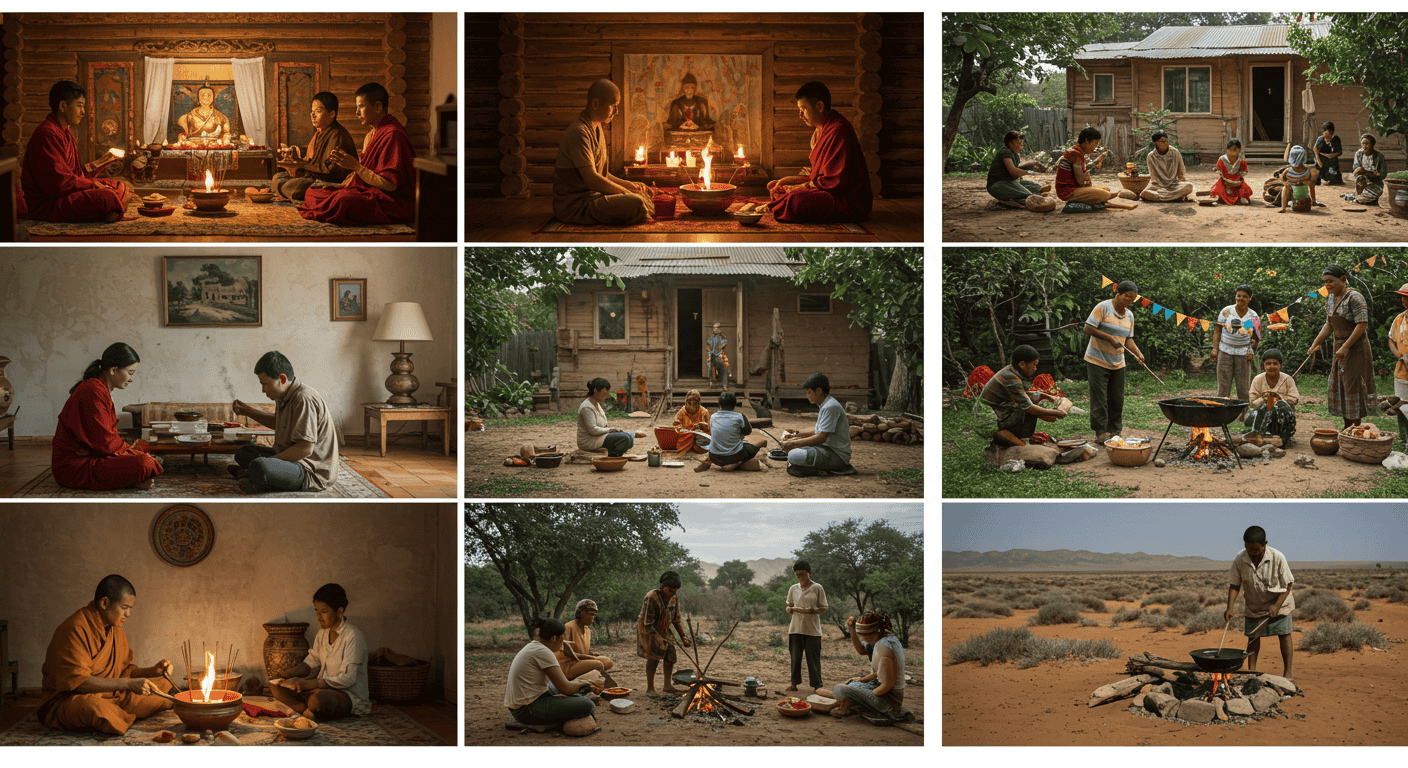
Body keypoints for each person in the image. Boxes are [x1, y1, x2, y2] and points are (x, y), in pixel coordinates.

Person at [39, 575, 175, 734]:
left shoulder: (116, 631)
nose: (128, 614)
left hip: (112, 695)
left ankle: (119, 713)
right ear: (104, 603)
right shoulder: (74, 629)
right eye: (124, 608)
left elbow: (126, 672)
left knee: (161, 687)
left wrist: (153, 671)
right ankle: (117, 714)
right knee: (94, 708)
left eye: (130, 609)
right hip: (70, 700)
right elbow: (79, 683)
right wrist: (129, 685)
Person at [18, 81, 136, 223]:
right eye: (79, 106)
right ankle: (110, 209)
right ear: (62, 106)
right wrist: (93, 186)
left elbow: (75, 175)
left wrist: (99, 172)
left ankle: (110, 210)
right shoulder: (47, 134)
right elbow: (58, 184)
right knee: (107, 197)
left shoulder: (65, 132)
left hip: (65, 194)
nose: (83, 112)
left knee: (121, 185)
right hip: (49, 204)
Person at [52, 342, 163, 491]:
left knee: (144, 457)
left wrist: (101, 450)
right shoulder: (93, 390)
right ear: (112, 370)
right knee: (144, 463)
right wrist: (130, 452)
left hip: (91, 456)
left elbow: (103, 441)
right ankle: (137, 478)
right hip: (75, 467)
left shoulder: (99, 389)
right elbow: (106, 443)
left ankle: (137, 478)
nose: (131, 379)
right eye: (130, 373)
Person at [300, 83, 415, 225]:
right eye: (356, 107)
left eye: (361, 107)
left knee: (343, 200)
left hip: (390, 200)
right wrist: (341, 185)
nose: (357, 112)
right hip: (368, 191)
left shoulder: (393, 134)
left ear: (378, 107)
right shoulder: (370, 135)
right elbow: (362, 174)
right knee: (312, 192)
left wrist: (356, 166)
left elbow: (390, 185)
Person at [229, 351, 339, 493]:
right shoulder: (283, 396)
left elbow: (305, 449)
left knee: (260, 466)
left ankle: (257, 478)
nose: (263, 390)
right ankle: (256, 476)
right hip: (291, 459)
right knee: (244, 452)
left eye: (265, 384)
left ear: (282, 378)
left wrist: (271, 461)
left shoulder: (303, 399)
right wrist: (247, 411)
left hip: (310, 470)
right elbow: (278, 423)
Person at [765, 81, 872, 223]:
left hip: (846, 199)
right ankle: (784, 201)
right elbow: (816, 174)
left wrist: (797, 187)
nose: (800, 115)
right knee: (776, 185)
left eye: (803, 109)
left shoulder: (839, 129)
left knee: (796, 199)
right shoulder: (820, 130)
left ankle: (785, 203)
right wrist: (787, 181)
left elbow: (835, 181)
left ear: (820, 106)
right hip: (826, 188)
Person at [552, 79, 653, 225]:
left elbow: (603, 174)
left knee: (640, 193)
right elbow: (592, 179)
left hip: (595, 197)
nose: (617, 112)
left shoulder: (597, 128)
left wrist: (629, 185)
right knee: (635, 202)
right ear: (595, 104)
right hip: (576, 205)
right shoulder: (578, 132)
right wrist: (628, 193)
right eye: (613, 106)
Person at [269, 583, 370, 720]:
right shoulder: (322, 633)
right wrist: (284, 674)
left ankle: (310, 707)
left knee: (318, 700)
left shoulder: (353, 636)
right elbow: (311, 662)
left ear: (339, 612)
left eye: (324, 611)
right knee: (276, 687)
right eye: (316, 611)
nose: (318, 616)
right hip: (320, 690)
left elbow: (348, 679)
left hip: (346, 694)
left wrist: (314, 684)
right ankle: (307, 712)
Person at [1308, 264, 1376, 428]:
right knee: (1343, 386)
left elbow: (1362, 324)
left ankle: (1355, 428)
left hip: (1356, 349)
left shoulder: (1355, 297)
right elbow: (1329, 325)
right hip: (1339, 349)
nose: (1327, 285)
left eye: (1330, 281)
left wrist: (1346, 347)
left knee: (1354, 387)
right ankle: (1347, 427)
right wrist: (1315, 344)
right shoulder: (1331, 299)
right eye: (1325, 282)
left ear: (1343, 279)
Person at [1225, 526, 1295, 680]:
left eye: (1256, 549)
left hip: (1280, 603)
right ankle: (1251, 672)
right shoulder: (1240, 559)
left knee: (1284, 634)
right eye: (1248, 548)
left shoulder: (1277, 557)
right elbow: (1235, 585)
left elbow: (1288, 584)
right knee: (1253, 637)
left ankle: (1288, 673)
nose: (1252, 552)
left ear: (1265, 544)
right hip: (1254, 606)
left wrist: (1276, 606)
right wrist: (1229, 607)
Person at [505, 617, 597, 727]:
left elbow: (561, 683)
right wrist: (582, 682)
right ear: (554, 638)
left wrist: (576, 684)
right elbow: (566, 688)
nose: (563, 643)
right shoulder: (544, 652)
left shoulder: (535, 646)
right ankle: (544, 724)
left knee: (557, 685)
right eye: (562, 639)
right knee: (588, 705)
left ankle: (570, 701)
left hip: (522, 704)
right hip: (526, 710)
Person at [1083, 281, 1145, 442]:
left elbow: (1128, 339)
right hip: (1097, 359)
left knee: (1117, 398)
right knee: (1100, 398)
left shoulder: (1129, 315)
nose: (1129, 301)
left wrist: (1138, 353)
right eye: (1127, 297)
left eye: (1132, 299)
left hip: (1118, 362)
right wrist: (1110, 338)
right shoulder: (1103, 307)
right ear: (1118, 294)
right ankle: (1101, 432)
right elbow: (1088, 328)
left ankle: (1115, 431)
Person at [271, 92, 358, 204]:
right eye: (312, 112)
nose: (313, 115)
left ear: (332, 114)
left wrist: (302, 166)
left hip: (331, 181)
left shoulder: (337, 134)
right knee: (277, 177)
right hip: (315, 176)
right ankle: (284, 190)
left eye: (318, 111)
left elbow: (332, 170)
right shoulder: (320, 133)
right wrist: (297, 161)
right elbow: (312, 160)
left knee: (293, 186)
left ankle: (285, 191)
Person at [978, 345, 1067, 447]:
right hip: (990, 422)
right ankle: (1021, 439)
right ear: (1022, 364)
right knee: (1030, 409)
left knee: (1033, 401)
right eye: (1034, 365)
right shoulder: (1011, 378)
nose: (1035, 369)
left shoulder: (1010, 371)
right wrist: (1056, 412)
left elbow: (1023, 395)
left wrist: (1044, 396)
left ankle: (1020, 436)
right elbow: (1029, 408)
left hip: (996, 413)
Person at [828, 612, 908, 721]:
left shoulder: (884, 647)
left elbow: (887, 685)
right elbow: (862, 651)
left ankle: (847, 707)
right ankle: (851, 703)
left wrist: (866, 696)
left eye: (865, 635)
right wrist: (861, 681)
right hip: (884, 693)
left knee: (840, 689)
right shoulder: (881, 638)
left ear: (875, 631)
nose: (863, 639)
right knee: (853, 684)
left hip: (889, 701)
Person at [781, 372, 857, 477]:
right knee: (794, 453)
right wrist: (795, 435)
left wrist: (794, 443)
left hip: (837, 456)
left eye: (808, 392)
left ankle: (827, 469)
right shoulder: (826, 404)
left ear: (818, 391)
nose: (806, 395)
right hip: (827, 449)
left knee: (793, 455)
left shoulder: (830, 407)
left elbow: (822, 437)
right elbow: (818, 430)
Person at [1055, 127, 1138, 210]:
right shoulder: (1075, 153)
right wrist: (1087, 181)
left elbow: (1081, 171)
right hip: (1068, 192)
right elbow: (1081, 181)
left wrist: (1096, 162)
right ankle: (1099, 202)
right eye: (1095, 143)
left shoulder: (1076, 151)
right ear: (1087, 141)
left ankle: (1099, 202)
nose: (1095, 147)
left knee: (1106, 190)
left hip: (1073, 189)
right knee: (1105, 194)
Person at [636, 571, 691, 694]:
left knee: (670, 655)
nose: (674, 592)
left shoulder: (674, 598)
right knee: (654, 657)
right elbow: (647, 623)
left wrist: (683, 637)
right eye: (671, 589)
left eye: (676, 590)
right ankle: (650, 688)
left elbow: (676, 620)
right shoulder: (651, 598)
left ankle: (667, 686)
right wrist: (658, 639)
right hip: (649, 631)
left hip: (664, 629)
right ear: (662, 586)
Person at [1211, 284, 1259, 412]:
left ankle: (1242, 415)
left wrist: (1252, 350)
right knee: (1223, 386)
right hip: (1225, 350)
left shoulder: (1253, 316)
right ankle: (1221, 413)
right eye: (1238, 296)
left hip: (1243, 352)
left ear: (1250, 298)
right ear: (1235, 297)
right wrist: (1215, 348)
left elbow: (1257, 337)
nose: (1241, 299)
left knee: (1243, 387)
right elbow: (1217, 330)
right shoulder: (1226, 311)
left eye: (1244, 296)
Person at [695, 391, 767, 473]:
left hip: (714, 457)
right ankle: (736, 463)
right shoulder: (739, 416)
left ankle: (729, 464)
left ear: (719, 404)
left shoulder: (713, 417)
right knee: (751, 449)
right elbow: (748, 432)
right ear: (735, 405)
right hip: (734, 456)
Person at [784, 560, 828, 693]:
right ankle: (794, 683)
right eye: (797, 575)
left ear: (809, 573)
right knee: (795, 657)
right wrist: (790, 609)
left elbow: (824, 607)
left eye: (802, 574)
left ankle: (817, 686)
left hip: (812, 630)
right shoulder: (793, 588)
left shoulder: (817, 588)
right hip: (795, 628)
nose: (800, 577)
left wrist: (812, 610)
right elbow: (789, 605)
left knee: (813, 658)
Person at [1245, 349, 1300, 445]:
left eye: (1275, 364)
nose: (1271, 367)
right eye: (1268, 363)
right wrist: (1264, 398)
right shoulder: (1258, 379)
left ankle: (1284, 436)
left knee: (1280, 407)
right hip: (1263, 413)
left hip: (1282, 416)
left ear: (1280, 365)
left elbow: (1294, 400)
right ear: (1263, 366)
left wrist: (1279, 398)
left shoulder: (1288, 379)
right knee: (1254, 415)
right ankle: (1261, 434)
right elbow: (1254, 404)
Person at [557, 599, 616, 684]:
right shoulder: (569, 627)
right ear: (583, 613)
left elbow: (586, 651)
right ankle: (586, 681)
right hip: (569, 665)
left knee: (607, 661)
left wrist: (594, 655)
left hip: (581, 662)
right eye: (591, 614)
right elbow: (566, 653)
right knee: (598, 664)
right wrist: (592, 658)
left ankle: (589, 677)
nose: (593, 618)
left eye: (594, 615)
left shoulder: (587, 629)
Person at [578, 377, 634, 457]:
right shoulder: (586, 407)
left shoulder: (597, 404)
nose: (607, 396)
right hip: (589, 441)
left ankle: (614, 453)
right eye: (604, 394)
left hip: (599, 436)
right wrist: (611, 430)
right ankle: (613, 455)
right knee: (625, 438)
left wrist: (612, 431)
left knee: (630, 437)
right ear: (595, 391)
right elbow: (592, 430)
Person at [986, 130, 1045, 207]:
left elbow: (1016, 169)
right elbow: (1014, 172)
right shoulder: (1005, 152)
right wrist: (1028, 171)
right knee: (1030, 196)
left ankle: (1011, 201)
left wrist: (1031, 164)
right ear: (1013, 142)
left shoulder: (1015, 154)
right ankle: (1002, 203)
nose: (1022, 142)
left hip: (1009, 183)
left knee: (1038, 189)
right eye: (1019, 139)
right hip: (998, 185)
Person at [1382, 284, 1408, 447]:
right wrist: (1399, 355)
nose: (1403, 300)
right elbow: (1391, 339)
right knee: (1402, 404)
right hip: (1402, 370)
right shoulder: (1399, 319)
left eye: (1406, 297)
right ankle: (1404, 439)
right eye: (1402, 297)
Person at [1140, 131, 1194, 202]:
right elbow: (1154, 178)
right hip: (1158, 186)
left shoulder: (1175, 152)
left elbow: (1181, 173)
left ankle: (1161, 198)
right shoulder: (1151, 156)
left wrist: (1182, 187)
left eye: (1166, 141)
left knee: (1189, 186)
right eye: (1162, 141)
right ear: (1155, 143)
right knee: (1144, 193)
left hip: (1174, 185)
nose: (1165, 143)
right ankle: (1175, 197)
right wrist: (1161, 187)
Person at [1278, 144, 1322, 212]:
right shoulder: (1290, 170)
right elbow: (1282, 178)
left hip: (1303, 194)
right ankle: (1283, 207)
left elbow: (1311, 184)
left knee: (1311, 183)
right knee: (1285, 188)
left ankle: (1285, 206)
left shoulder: (1306, 171)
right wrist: (1285, 183)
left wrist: (1304, 183)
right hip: (1293, 193)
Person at [1209, 139, 1252, 205]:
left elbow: (1244, 171)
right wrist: (1221, 175)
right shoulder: (1222, 159)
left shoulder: (1241, 160)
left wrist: (1240, 175)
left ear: (1239, 150)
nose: (1232, 152)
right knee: (1218, 189)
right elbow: (1218, 170)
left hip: (1237, 182)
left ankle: (1240, 198)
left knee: (1245, 189)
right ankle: (1222, 197)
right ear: (1227, 150)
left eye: (1235, 150)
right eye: (1230, 150)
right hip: (1225, 181)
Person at [1349, 134, 1388, 205]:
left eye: (1367, 144)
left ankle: (1367, 198)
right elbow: (1356, 170)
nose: (1364, 146)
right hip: (1362, 183)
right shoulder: (1358, 154)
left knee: (1365, 198)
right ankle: (1362, 196)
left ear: (1372, 145)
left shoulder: (1379, 156)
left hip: (1375, 183)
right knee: (1360, 181)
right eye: (1363, 144)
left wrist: (1365, 172)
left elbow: (1383, 174)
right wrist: (1368, 173)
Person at [671, 389, 711, 458]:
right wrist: (686, 430)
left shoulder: (704, 412)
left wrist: (701, 427)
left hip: (699, 442)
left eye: (695, 404)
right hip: (685, 440)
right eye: (690, 403)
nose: (692, 406)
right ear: (686, 402)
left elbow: (709, 430)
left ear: (699, 403)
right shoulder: (682, 412)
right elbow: (676, 428)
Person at [1313, 121, 1343, 186]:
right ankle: (1318, 180)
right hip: (1321, 159)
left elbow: (1338, 152)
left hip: (1332, 160)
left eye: (1326, 132)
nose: (1324, 133)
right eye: (1324, 132)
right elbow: (1315, 150)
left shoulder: (1336, 139)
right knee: (1318, 170)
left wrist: (1326, 155)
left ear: (1331, 132)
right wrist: (1319, 161)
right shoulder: (1320, 139)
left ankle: (1330, 179)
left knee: (1333, 174)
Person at [706, 323, 729, 390]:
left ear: (719, 329)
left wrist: (718, 351)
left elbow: (723, 344)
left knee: (724, 367)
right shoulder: (710, 339)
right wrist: (710, 354)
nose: (714, 330)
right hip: (712, 356)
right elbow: (708, 347)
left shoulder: (722, 338)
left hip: (719, 356)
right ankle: (711, 382)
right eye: (713, 328)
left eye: (715, 328)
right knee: (709, 366)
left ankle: (725, 385)